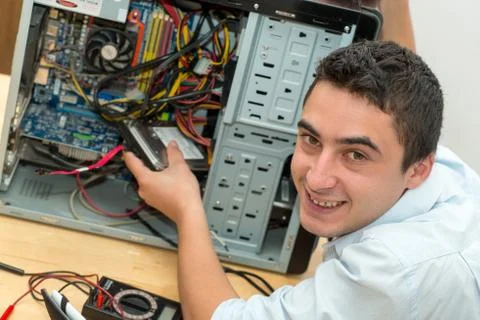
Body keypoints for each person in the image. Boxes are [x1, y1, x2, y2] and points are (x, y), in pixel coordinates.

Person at [124, 2, 480, 320]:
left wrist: (187, 208)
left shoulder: (394, 270)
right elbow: (406, 83)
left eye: (355, 155)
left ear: (418, 169)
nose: (317, 178)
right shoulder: (443, 171)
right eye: (311, 139)